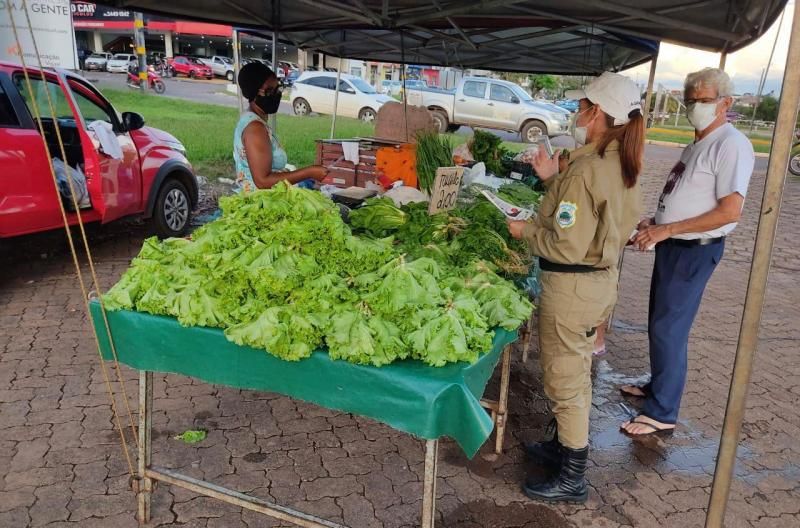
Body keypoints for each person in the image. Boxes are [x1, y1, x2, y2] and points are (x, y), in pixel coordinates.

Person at [508, 72, 643, 503]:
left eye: (583, 106)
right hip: (596, 283)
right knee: (574, 373)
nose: (578, 114)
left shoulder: (589, 167)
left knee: (565, 380)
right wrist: (552, 179)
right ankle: (560, 446)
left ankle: (572, 477)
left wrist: (524, 230)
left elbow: (565, 244)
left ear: (597, 112)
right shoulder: (620, 161)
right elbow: (585, 221)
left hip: (573, 286)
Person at [620, 68, 755, 436]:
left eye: (705, 100)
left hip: (694, 250)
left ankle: (663, 411)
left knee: (669, 328)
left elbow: (730, 211)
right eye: (691, 100)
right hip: (672, 244)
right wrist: (656, 221)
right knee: (660, 322)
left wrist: (667, 228)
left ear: (726, 103)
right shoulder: (697, 143)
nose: (696, 106)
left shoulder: (731, 144)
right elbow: (685, 196)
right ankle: (657, 387)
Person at [234, 62, 328, 192]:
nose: (276, 94)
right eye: (270, 91)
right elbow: (262, 181)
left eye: (278, 88)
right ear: (254, 92)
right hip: (260, 202)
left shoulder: (256, 121)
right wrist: (309, 172)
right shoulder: (255, 128)